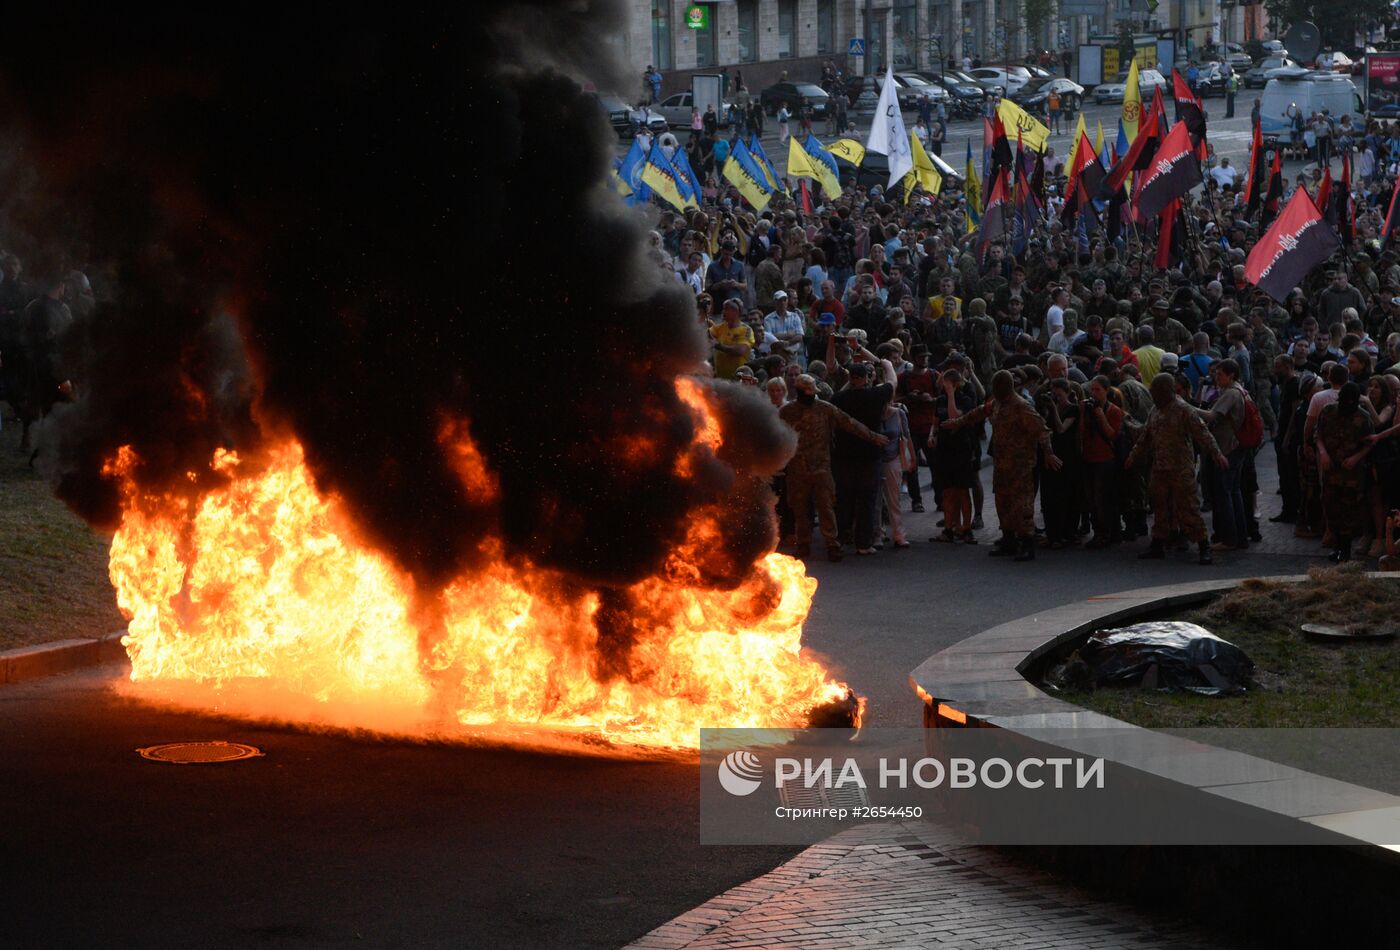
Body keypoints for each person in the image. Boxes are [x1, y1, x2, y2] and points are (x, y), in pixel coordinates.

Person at [943, 369, 1061, 561]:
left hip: (1021, 466)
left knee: (1022, 506)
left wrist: (1048, 453)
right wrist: (958, 422)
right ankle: (1008, 540)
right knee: (1003, 502)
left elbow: (1042, 430)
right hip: (1002, 464)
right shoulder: (997, 403)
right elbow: (979, 412)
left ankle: (1026, 543)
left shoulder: (1021, 407)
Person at [779, 374, 887, 561]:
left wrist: (872, 436)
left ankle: (832, 543)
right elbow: (774, 434)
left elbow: (849, 423)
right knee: (799, 508)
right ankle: (803, 542)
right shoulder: (786, 411)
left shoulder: (825, 408)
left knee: (826, 506)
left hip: (822, 467)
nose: (813, 394)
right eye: (809, 390)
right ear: (801, 391)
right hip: (797, 468)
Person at [1127, 373, 1228, 564]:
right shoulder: (1155, 411)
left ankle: (1203, 545)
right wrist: (1133, 456)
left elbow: (1203, 434)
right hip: (1159, 467)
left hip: (1181, 468)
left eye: (1156, 392)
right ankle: (1157, 543)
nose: (1154, 396)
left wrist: (1216, 454)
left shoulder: (1183, 410)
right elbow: (1145, 437)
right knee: (1160, 507)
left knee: (1189, 507)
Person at [831, 358, 897, 555]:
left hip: (844, 455)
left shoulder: (840, 399)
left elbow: (837, 396)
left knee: (844, 498)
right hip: (870, 454)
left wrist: (850, 381)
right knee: (867, 499)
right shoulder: (875, 395)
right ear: (867, 378)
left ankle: (842, 538)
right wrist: (888, 365)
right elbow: (893, 383)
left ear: (851, 379)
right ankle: (863, 543)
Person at [1193, 359, 1250, 551]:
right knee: (1234, 492)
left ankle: (1229, 538)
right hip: (1236, 447)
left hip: (1228, 448)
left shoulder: (1232, 393)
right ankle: (1239, 536)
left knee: (1224, 493)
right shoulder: (1240, 391)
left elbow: (1212, 416)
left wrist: (1188, 408)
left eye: (1220, 374)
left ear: (1231, 375)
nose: (1216, 378)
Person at [1315, 382, 1374, 561]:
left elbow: (1369, 443)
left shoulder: (1363, 418)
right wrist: (1323, 453)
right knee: (1331, 508)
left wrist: (1356, 458)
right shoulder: (1328, 412)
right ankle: (1337, 546)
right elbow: (1318, 435)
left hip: (1352, 475)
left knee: (1349, 512)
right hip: (1331, 471)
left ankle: (1345, 549)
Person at [928, 367, 978, 543]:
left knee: (963, 491)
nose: (943, 386)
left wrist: (951, 395)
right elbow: (936, 422)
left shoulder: (965, 400)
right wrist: (931, 435)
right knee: (947, 491)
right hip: (944, 449)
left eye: (946, 383)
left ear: (955, 384)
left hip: (961, 449)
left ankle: (966, 528)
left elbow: (955, 417)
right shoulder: (940, 400)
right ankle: (948, 529)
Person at [709, 299, 753, 379]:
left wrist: (718, 346)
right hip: (721, 378)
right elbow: (706, 334)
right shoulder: (720, 327)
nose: (723, 312)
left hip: (739, 379)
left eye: (726, 309)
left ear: (735, 311)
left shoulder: (746, 330)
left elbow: (740, 350)